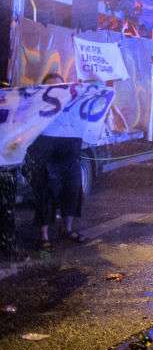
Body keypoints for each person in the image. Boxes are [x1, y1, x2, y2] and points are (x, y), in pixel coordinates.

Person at [24, 73, 87, 251]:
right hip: (46, 158)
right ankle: (44, 237)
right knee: (45, 196)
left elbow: (91, 103)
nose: (56, 91)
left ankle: (66, 230)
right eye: (51, 87)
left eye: (60, 87)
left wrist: (85, 91)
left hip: (70, 156)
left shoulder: (73, 104)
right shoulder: (37, 107)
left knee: (72, 193)